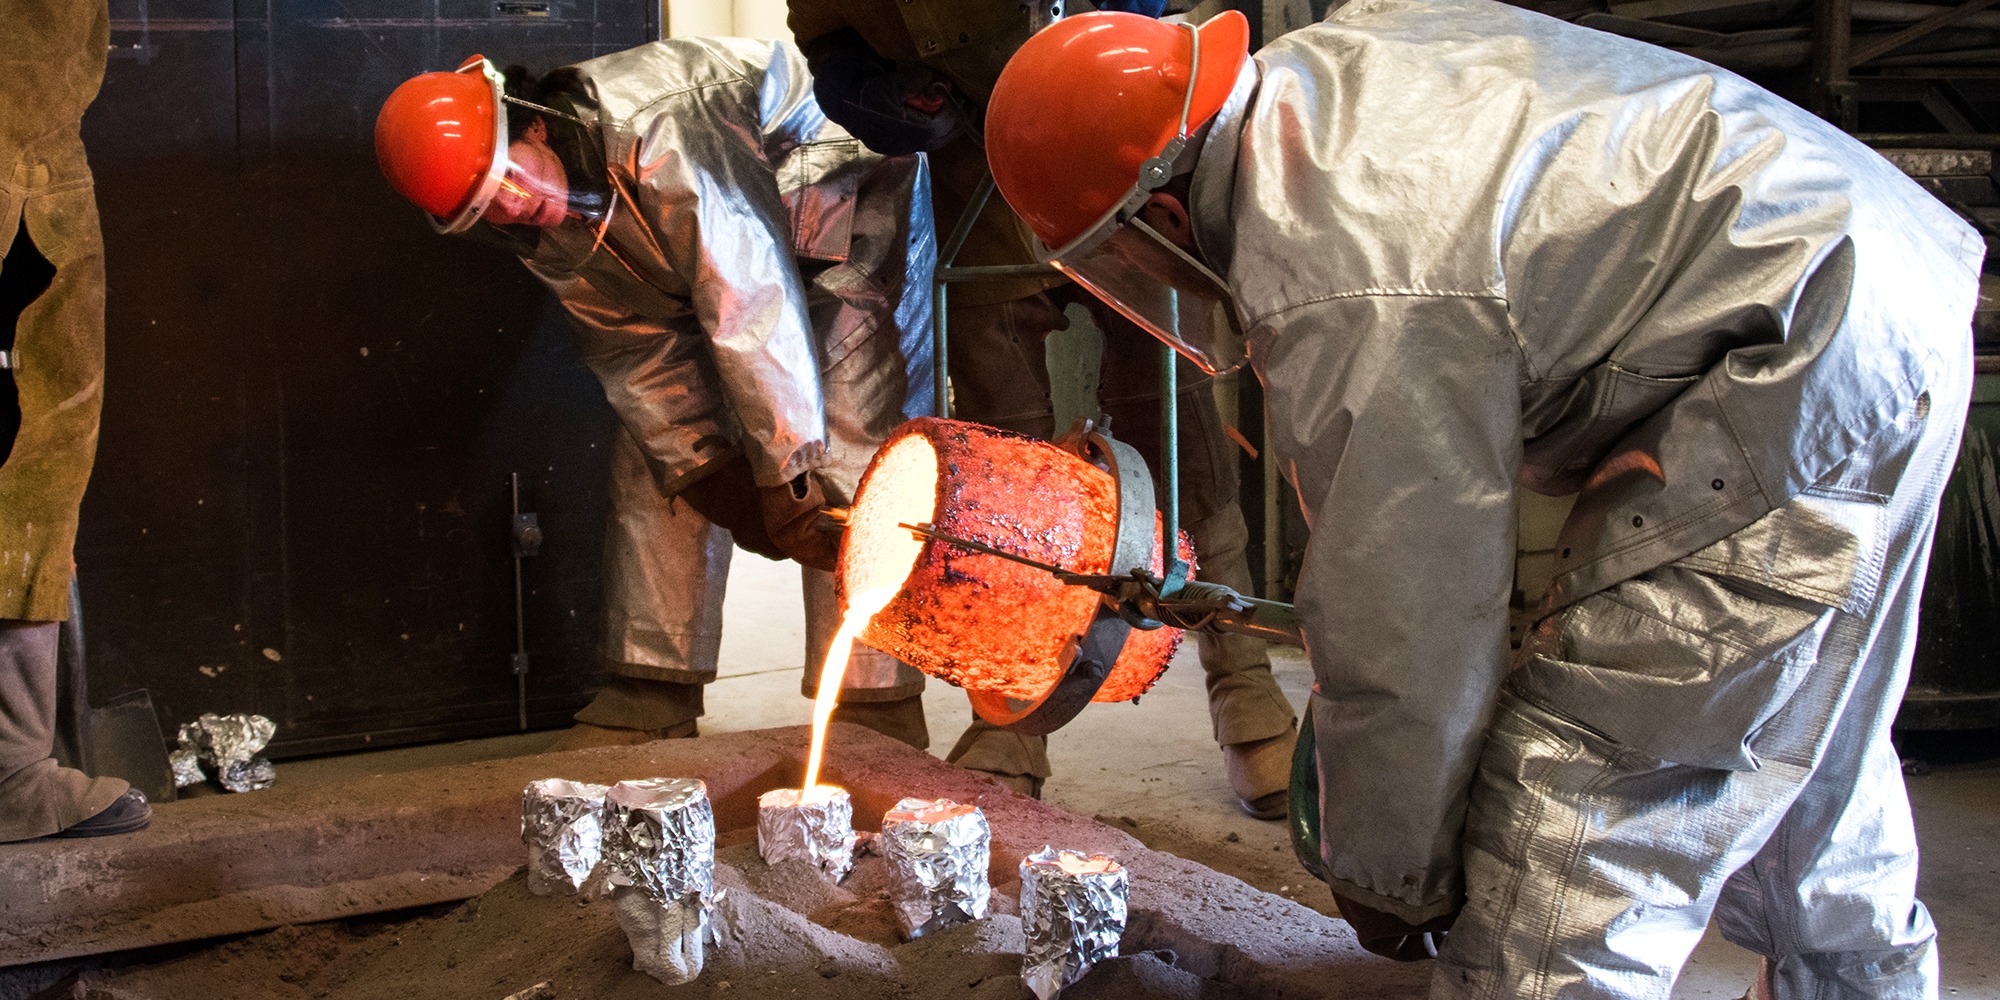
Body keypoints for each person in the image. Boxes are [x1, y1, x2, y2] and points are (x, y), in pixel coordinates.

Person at [981, 5, 1978, 997]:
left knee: (1579, 814)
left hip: (1782, 354)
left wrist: (1387, 872)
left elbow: (1404, 604)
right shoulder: (1330, 73)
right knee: (1807, 746)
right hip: (1880, 283)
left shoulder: (1332, 269)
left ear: (1154, 213)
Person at [783, 0, 1300, 816]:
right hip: (983, 189)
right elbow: (833, 47)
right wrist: (871, 93)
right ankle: (1015, 718)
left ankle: (1245, 689)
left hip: (1117, 158)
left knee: (1180, 434)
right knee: (1001, 482)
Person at [375, 38, 937, 753]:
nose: (516, 205)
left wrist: (789, 475)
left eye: (511, 176)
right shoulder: (538, 224)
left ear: (534, 123)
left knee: (851, 425)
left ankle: (873, 699)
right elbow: (633, 348)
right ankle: (649, 688)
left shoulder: (662, 125)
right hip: (722, 245)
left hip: (835, 179)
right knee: (661, 451)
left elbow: (747, 291)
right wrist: (706, 468)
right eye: (491, 207)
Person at [0, 0, 153, 843]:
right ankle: (10, 773)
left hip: (40, 168)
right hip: (20, 172)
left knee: (37, 463)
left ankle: (12, 769)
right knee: (22, 453)